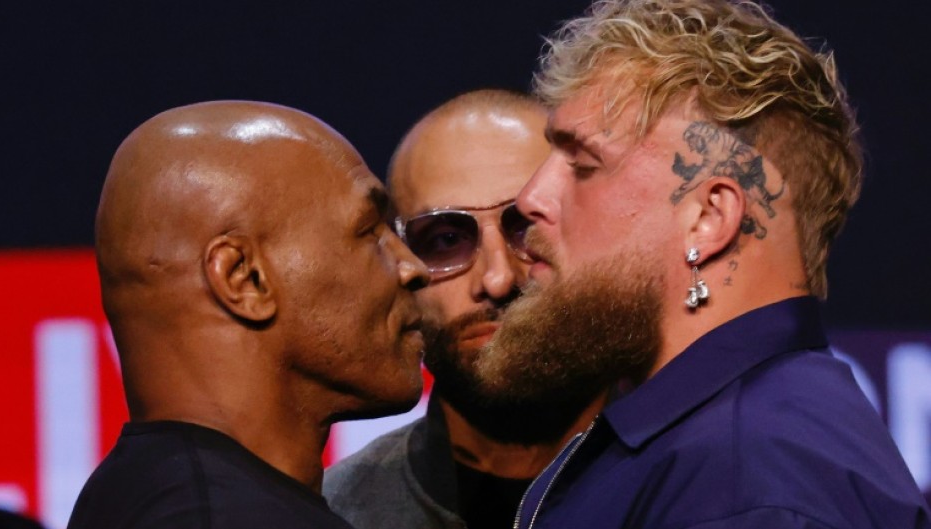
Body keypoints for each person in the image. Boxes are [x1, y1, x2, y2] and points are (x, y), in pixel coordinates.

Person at [473, 1, 931, 528]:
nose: (530, 197)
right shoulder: (725, 449)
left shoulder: (749, 486)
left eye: (582, 164)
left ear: (709, 218)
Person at [67, 100, 430, 529]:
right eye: (369, 230)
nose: (413, 267)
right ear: (245, 279)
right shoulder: (222, 517)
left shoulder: (149, 498)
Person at [324, 90, 608, 529]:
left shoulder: (708, 483)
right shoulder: (333, 516)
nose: (498, 279)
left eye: (528, 227)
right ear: (400, 265)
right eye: (446, 240)